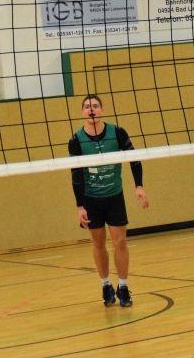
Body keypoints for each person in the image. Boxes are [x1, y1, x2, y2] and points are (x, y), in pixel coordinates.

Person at [68, 93, 149, 307]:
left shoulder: (117, 132)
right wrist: (79, 206)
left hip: (114, 196)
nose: (91, 109)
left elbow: (134, 159)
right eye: (87, 106)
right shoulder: (76, 140)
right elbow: (76, 174)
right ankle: (105, 285)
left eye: (95, 106)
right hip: (91, 199)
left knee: (120, 241)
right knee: (98, 243)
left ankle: (123, 286)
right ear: (82, 112)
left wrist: (139, 186)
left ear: (101, 110)